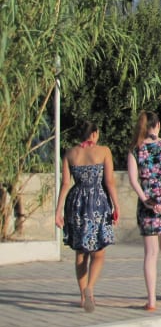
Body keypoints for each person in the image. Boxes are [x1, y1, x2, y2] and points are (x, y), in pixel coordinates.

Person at [55, 120, 119, 313]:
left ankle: (83, 296)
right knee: (98, 252)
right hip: (97, 202)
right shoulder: (104, 151)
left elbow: (65, 184)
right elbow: (109, 182)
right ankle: (90, 286)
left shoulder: (69, 153)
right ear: (94, 134)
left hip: (76, 203)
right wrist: (116, 205)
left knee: (80, 253)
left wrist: (58, 211)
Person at [127, 110, 161, 311]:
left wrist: (147, 200)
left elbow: (134, 180)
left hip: (147, 206)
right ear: (158, 125)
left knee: (150, 254)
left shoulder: (135, 149)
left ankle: (151, 301)